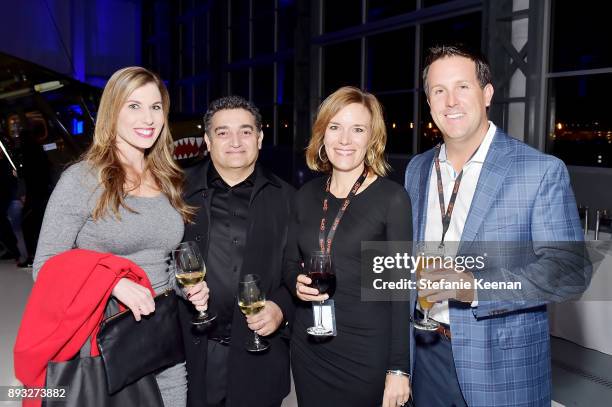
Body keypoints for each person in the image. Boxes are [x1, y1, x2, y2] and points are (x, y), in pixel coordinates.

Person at [404, 44, 590, 406]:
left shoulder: (539, 170)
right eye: (438, 91)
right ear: (429, 103)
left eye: (462, 87)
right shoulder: (418, 168)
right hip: (425, 353)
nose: (450, 101)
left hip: (501, 365)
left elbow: (569, 271)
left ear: (487, 94)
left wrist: (475, 289)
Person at [32, 66, 195, 407]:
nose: (147, 117)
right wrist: (111, 282)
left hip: (163, 334)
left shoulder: (166, 179)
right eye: (133, 106)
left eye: (155, 107)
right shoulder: (81, 180)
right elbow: (45, 267)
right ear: (112, 112)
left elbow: (162, 261)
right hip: (105, 339)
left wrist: (188, 287)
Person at [285, 86, 412, 407]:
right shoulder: (305, 195)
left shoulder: (391, 199)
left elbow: (399, 292)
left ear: (372, 138)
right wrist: (295, 284)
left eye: (357, 129)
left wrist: (399, 368)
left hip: (365, 352)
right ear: (322, 133)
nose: (345, 140)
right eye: (335, 127)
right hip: (310, 345)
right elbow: (288, 264)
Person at [179, 95, 295, 407]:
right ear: (207, 140)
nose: (235, 142)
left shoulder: (288, 199)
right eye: (222, 132)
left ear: (259, 138)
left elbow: (297, 270)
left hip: (261, 356)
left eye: (245, 131)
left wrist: (280, 308)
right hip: (195, 353)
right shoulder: (176, 194)